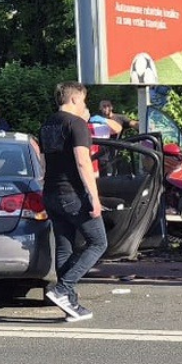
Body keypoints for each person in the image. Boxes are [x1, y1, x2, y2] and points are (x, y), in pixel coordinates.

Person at [40, 81, 106, 322]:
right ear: (75, 99)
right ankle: (62, 289)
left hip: (51, 193)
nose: (85, 105)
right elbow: (83, 162)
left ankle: (71, 304)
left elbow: (44, 162)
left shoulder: (47, 124)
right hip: (72, 194)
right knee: (98, 242)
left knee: (64, 246)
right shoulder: (77, 124)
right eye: (84, 100)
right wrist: (94, 197)